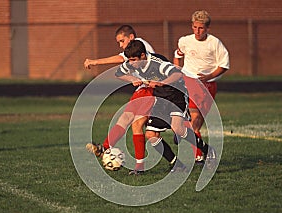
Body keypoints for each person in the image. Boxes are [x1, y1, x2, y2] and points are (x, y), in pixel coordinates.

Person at [115, 40, 217, 172]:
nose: (131, 63)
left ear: (143, 55)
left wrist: (161, 83)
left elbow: (177, 74)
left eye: (134, 60)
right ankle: (177, 165)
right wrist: (132, 79)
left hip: (176, 95)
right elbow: (119, 73)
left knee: (178, 129)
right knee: (151, 135)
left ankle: (208, 150)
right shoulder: (132, 63)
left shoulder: (158, 64)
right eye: (129, 60)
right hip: (160, 98)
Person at [85, 25, 155, 175]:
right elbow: (120, 72)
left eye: (121, 41)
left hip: (153, 90)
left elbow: (118, 59)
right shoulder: (133, 51)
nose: (121, 45)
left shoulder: (140, 45)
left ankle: (140, 167)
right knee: (123, 120)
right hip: (142, 90)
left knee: (137, 126)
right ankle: (104, 147)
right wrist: (132, 78)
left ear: (131, 38)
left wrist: (94, 62)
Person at [173, 10, 229, 164]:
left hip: (206, 85)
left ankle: (198, 150)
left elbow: (224, 65)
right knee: (192, 118)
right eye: (195, 27)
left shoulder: (215, 43)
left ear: (207, 28)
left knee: (196, 121)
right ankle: (197, 154)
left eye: (201, 28)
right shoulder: (185, 41)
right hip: (187, 82)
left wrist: (208, 76)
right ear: (192, 26)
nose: (197, 31)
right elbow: (178, 55)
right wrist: (177, 73)